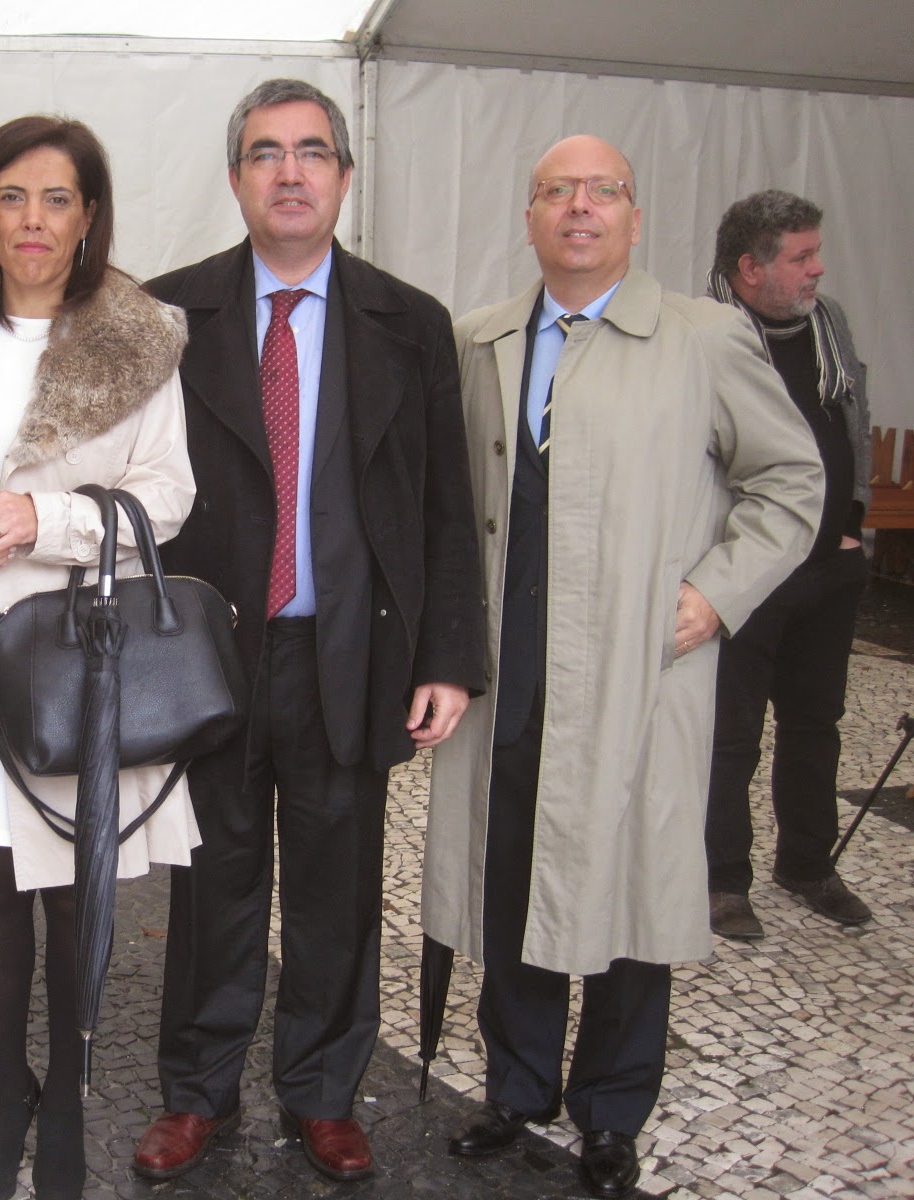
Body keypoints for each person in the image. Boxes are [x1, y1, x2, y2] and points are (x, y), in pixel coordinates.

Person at [422, 136, 824, 1199]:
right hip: (509, 672)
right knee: (511, 876)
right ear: (529, 217)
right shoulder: (480, 340)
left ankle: (610, 1108)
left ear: (635, 219)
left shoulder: (704, 339)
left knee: (632, 889)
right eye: (556, 190)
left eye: (604, 191)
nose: (580, 207)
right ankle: (516, 1088)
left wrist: (717, 591)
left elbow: (791, 482)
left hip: (637, 676)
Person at [132, 78, 484, 1185]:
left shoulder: (409, 323)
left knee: (338, 889)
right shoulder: (168, 315)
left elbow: (445, 504)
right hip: (211, 657)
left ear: (344, 172)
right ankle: (197, 1090)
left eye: (312, 151)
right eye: (266, 153)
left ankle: (324, 1092)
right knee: (212, 888)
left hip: (349, 653)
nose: (290, 173)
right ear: (236, 177)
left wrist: (447, 657)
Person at [0, 115, 195, 1200]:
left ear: (88, 214)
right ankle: (9, 1088)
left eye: (56, 198)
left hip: (74, 651)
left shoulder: (138, 336)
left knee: (71, 880)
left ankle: (65, 1089)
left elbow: (168, 494)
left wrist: (40, 519)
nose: (33, 219)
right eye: (12, 196)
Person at [704, 190, 874, 941]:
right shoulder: (706, 338)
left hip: (829, 567)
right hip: (749, 572)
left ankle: (807, 864)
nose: (818, 269)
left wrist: (854, 522)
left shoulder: (828, 324)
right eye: (801, 257)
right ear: (750, 268)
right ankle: (721, 878)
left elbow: (853, 421)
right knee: (731, 733)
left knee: (816, 723)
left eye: (815, 253)